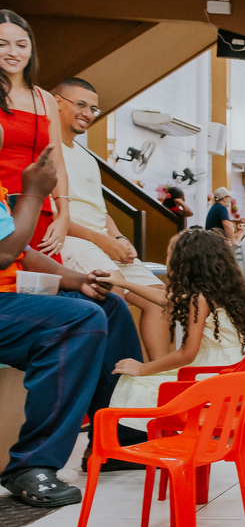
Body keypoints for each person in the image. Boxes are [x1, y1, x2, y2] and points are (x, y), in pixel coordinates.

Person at [0, 141, 142, 507]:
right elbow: (5, 253)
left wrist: (78, 281)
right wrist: (34, 192)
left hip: (10, 296)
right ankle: (31, 465)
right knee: (79, 320)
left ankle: (117, 440)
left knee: (108, 304)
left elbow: (23, 253)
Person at [100, 228, 245, 436]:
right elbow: (165, 299)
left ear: (186, 262)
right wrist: (123, 283)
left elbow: (187, 354)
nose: (166, 260)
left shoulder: (200, 299)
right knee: (154, 376)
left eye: (169, 255)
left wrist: (144, 368)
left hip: (218, 376)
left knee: (137, 381)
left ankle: (154, 437)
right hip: (237, 371)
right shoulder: (223, 290)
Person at [53, 77, 172, 360]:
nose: (88, 114)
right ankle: (113, 383)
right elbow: (51, 216)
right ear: (56, 103)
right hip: (70, 239)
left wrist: (118, 238)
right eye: (80, 105)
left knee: (161, 298)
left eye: (93, 109)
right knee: (114, 288)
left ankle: (156, 379)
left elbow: (100, 211)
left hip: (100, 240)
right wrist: (102, 241)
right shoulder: (45, 149)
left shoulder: (86, 156)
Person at [0, 10, 71, 259]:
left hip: (38, 208)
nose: (13, 52)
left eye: (21, 44)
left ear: (31, 50)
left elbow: (57, 164)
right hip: (2, 212)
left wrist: (63, 215)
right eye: (2, 44)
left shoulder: (45, 99)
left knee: (47, 289)